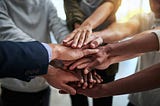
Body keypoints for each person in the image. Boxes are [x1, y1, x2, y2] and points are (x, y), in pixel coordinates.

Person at [0, 0, 96, 106]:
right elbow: (8, 32)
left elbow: (59, 27)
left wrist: (75, 50)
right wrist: (56, 53)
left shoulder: (46, 3)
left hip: (44, 83)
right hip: (14, 83)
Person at [69, 0, 160, 106]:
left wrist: (109, 52)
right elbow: (121, 29)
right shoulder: (145, 17)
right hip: (137, 100)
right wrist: (95, 37)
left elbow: (152, 37)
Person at [63, 0, 121, 106]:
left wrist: (86, 27)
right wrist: (82, 43)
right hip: (77, 55)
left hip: (106, 53)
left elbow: (109, 5)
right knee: (78, 96)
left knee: (103, 97)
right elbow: (74, 14)